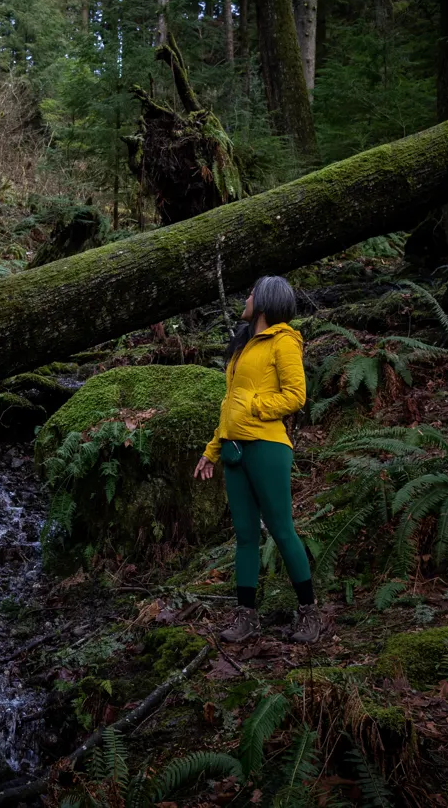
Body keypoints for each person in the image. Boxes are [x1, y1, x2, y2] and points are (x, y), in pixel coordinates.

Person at [194, 275, 322, 644]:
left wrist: (254, 407)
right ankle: (246, 617)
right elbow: (228, 405)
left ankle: (309, 614)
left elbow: (295, 396)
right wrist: (211, 451)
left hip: (267, 446)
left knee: (281, 530)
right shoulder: (244, 344)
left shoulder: (283, 341)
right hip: (234, 449)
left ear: (265, 301)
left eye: (251, 293)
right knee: (246, 536)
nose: (245, 298)